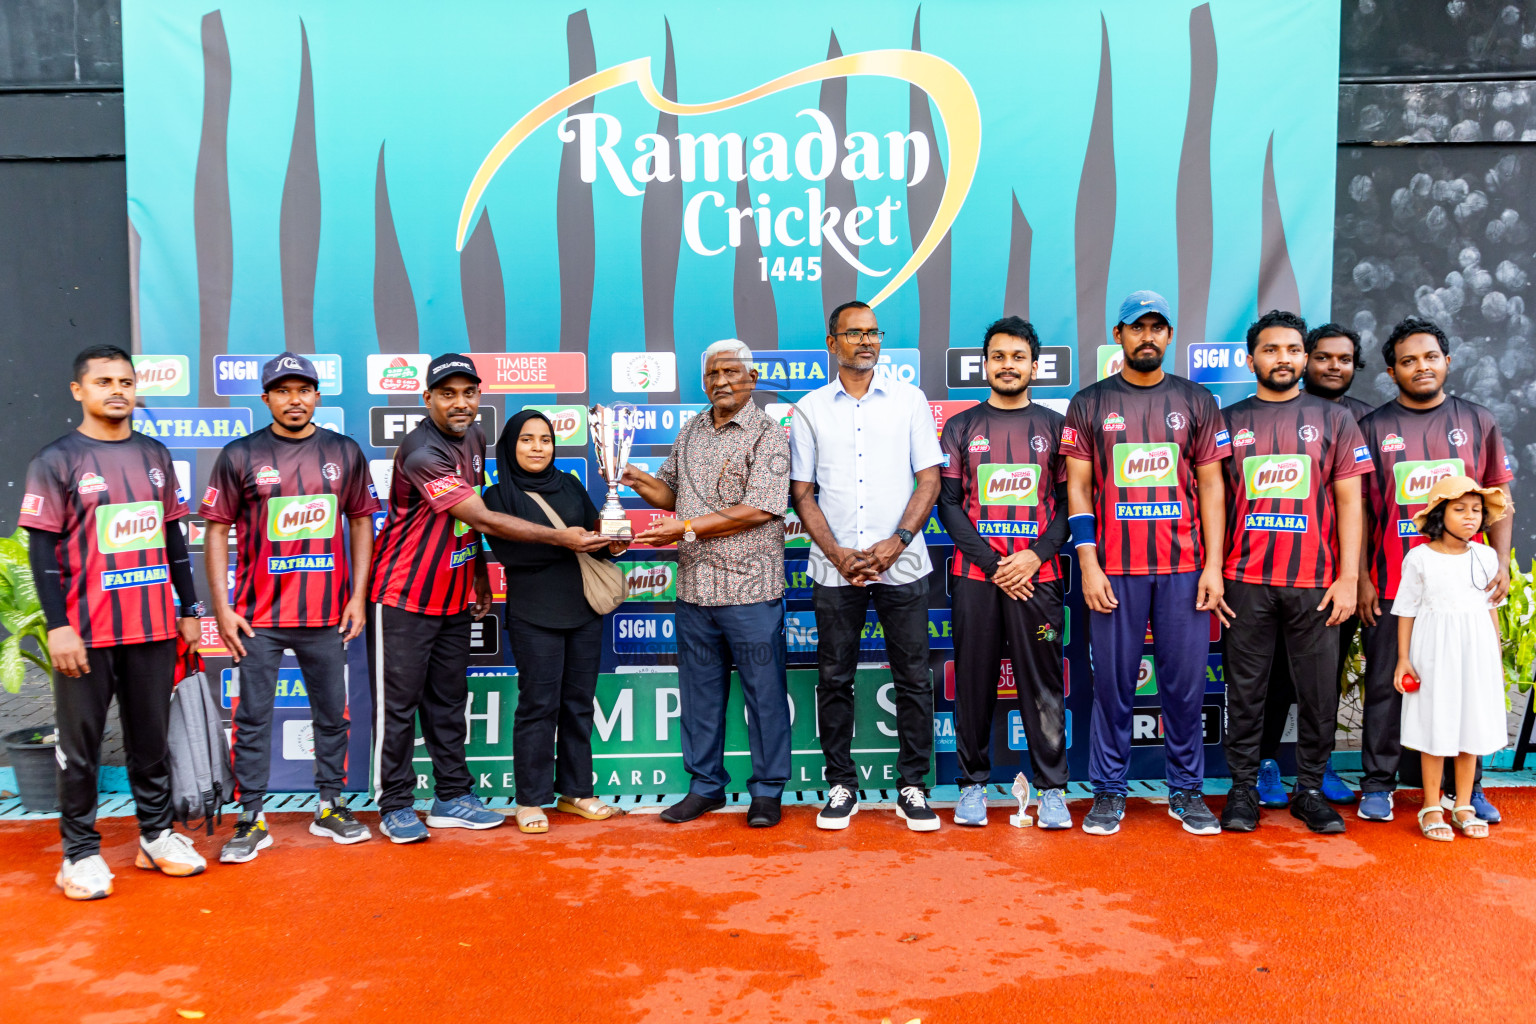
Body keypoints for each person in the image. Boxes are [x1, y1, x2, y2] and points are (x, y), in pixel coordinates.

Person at [367, 353, 611, 843]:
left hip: (455, 593)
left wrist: (478, 573)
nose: (461, 403)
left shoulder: (474, 438)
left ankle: (452, 796)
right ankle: (394, 802)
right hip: (404, 594)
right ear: (428, 398)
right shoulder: (422, 451)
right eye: (448, 393)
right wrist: (562, 539)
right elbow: (482, 517)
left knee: (448, 701)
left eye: (469, 393)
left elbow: (462, 526)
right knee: (398, 706)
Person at [21, 344, 206, 899]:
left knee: (150, 742)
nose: (117, 390)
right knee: (80, 749)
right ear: (79, 391)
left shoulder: (154, 454)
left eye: (125, 381)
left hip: (151, 628)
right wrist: (58, 626)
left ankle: (156, 836)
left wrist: (190, 608)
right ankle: (78, 854)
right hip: (86, 633)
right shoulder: (54, 461)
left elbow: (174, 537)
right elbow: (42, 555)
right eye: (103, 382)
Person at [1062, 290, 1231, 837]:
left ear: (1170, 336)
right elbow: (1079, 491)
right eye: (1138, 327)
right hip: (1115, 571)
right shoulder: (1089, 402)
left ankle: (1186, 791)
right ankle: (1109, 793)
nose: (1148, 337)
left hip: (1185, 571)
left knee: (1184, 686)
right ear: (1119, 335)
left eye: (1158, 327)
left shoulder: (1197, 400)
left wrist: (1213, 567)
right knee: (1113, 686)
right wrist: (1088, 564)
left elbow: (1212, 487)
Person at [202, 353, 381, 863]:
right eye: (283, 390)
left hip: (327, 616)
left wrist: (357, 596)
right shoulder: (240, 454)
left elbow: (363, 521)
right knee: (253, 717)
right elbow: (216, 529)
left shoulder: (343, 452)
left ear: (318, 396)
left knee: (332, 715)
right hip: (257, 619)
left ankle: (330, 806)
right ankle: (251, 817)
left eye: (304, 389)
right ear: (266, 399)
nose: (295, 399)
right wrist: (222, 608)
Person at [625, 339, 794, 828]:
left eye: (731, 372)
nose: (720, 381)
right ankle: (705, 787)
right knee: (699, 696)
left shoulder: (768, 433)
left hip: (751, 592)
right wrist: (634, 478)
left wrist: (685, 527)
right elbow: (671, 492)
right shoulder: (692, 428)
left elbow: (761, 507)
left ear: (752, 379)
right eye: (712, 374)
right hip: (695, 590)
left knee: (764, 695)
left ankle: (766, 792)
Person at [790, 301, 945, 833]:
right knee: (834, 678)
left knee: (913, 678)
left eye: (873, 332)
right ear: (831, 341)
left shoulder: (909, 400)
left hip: (902, 564)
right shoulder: (810, 408)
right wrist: (837, 554)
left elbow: (929, 479)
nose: (866, 341)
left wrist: (898, 541)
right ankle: (840, 785)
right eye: (853, 333)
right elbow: (802, 493)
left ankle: (912, 786)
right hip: (836, 570)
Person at [1215, 312, 1370, 835]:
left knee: (1319, 692)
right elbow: (1213, 500)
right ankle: (1241, 792)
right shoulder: (1228, 420)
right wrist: (1215, 570)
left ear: (1304, 357)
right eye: (1271, 349)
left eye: (1292, 349)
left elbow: (1352, 502)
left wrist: (1349, 578)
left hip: (1317, 584)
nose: (1283, 357)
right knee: (1247, 690)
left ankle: (1308, 791)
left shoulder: (1336, 420)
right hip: (1245, 580)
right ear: (1251, 357)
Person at [1355, 317, 1513, 825]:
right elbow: (1356, 511)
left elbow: (1500, 499)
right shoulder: (1372, 428)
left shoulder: (1478, 421)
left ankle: (1464, 791)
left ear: (1447, 361)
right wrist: (1361, 578)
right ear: (1390, 371)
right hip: (1392, 583)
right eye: (1408, 361)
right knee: (1388, 683)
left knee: (1464, 684)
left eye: (1429, 357)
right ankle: (1378, 785)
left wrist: (1502, 564)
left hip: (1463, 588)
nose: (1420, 366)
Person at [936, 316, 1072, 829]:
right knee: (973, 681)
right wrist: (996, 564)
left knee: (1042, 683)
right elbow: (949, 506)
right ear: (985, 364)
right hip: (978, 580)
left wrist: (1034, 556)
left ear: (1035, 366)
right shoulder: (961, 427)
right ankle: (972, 785)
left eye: (1018, 357)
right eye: (998, 356)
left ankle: (1052, 790)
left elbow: (1070, 504)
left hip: (1040, 577)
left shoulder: (1057, 428)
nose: (1007, 365)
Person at [483, 410, 627, 833]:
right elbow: (514, 555)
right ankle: (529, 800)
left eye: (545, 439)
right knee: (537, 708)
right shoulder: (496, 498)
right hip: (534, 615)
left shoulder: (569, 484)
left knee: (579, 706)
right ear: (511, 445)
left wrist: (610, 542)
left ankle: (577, 791)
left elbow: (593, 545)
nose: (537, 447)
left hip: (584, 610)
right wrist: (566, 541)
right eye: (527, 440)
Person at [1254, 322, 1373, 808]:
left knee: (1321, 681)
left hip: (1332, 578)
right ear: (1307, 362)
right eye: (1323, 357)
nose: (1332, 366)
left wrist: (1357, 576)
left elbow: (1362, 505)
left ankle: (1316, 770)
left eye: (1343, 359)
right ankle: (1264, 765)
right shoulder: (1277, 413)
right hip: (1269, 576)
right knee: (1273, 677)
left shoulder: (1367, 418)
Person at [1392, 477, 1512, 841]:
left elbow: (1492, 608)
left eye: (1477, 510)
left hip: (1475, 654)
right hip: (1434, 653)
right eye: (1460, 510)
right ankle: (1431, 806)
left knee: (1469, 728)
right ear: (1439, 516)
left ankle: (1462, 805)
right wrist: (1403, 659)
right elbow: (1407, 610)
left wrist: (1494, 655)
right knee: (1436, 726)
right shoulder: (1419, 557)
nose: (1470, 517)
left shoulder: (1487, 556)